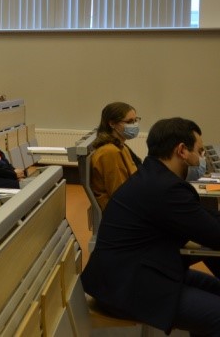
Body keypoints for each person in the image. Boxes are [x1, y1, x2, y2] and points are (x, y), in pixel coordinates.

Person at [81, 117, 220, 335]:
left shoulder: (153, 176)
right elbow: (213, 234)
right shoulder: (165, 188)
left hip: (128, 274)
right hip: (128, 288)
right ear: (182, 150)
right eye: (199, 151)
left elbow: (202, 217)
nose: (201, 159)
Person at [89, 102, 144, 210]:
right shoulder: (109, 152)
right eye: (129, 121)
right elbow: (120, 194)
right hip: (120, 211)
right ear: (112, 124)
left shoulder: (120, 146)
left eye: (135, 120)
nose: (134, 125)